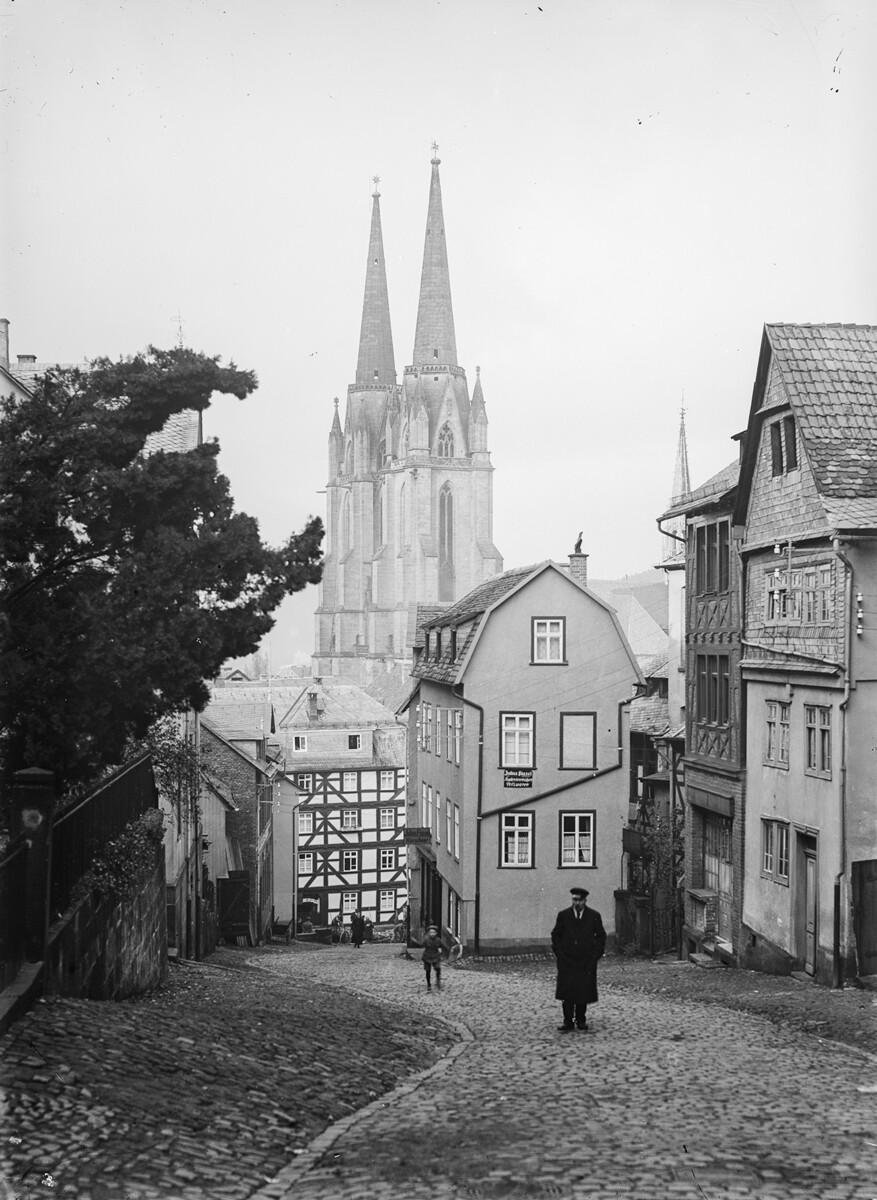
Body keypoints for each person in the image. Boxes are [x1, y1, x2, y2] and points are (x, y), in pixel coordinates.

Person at [550, 886, 606, 1032]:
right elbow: (556, 935)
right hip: (567, 960)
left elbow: (601, 936)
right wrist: (560, 954)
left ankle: (580, 1020)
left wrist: (595, 956)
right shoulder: (564, 915)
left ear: (585, 901)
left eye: (580, 900)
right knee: (567, 991)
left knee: (583, 991)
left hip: (585, 960)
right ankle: (568, 1021)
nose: (577, 903)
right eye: (575, 899)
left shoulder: (594, 915)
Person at [421, 924, 444, 991]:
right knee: (428, 971)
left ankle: (438, 981)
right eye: (431, 932)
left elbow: (443, 945)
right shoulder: (426, 939)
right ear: (428, 933)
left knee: (438, 969)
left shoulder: (438, 940)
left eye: (434, 932)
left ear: (436, 933)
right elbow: (421, 944)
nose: (432, 934)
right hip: (427, 956)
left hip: (436, 956)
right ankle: (429, 984)